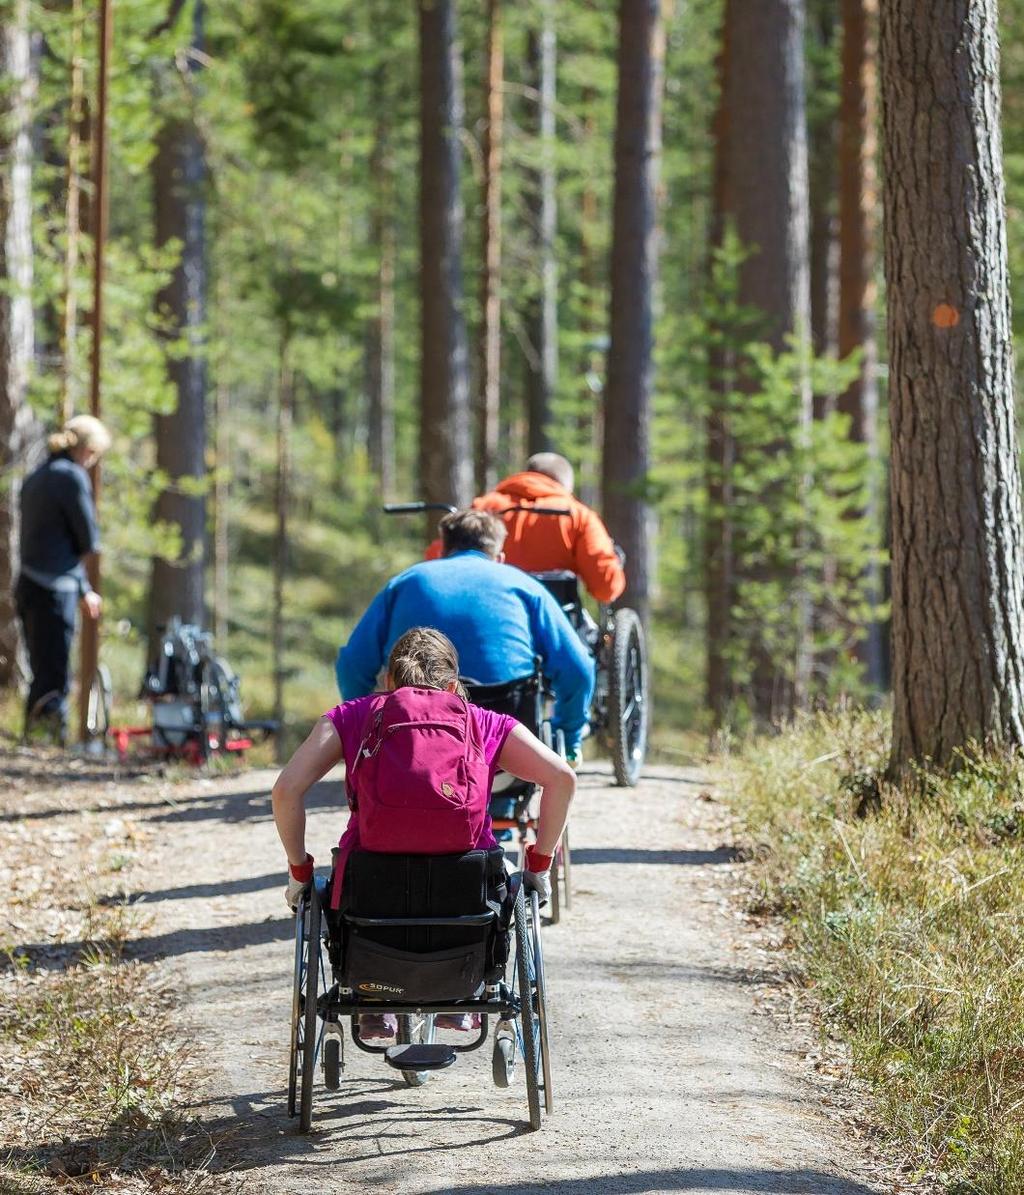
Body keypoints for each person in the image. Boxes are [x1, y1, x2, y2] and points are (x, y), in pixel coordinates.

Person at [273, 626, 575, 1039]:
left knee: (346, 877)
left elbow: (286, 789)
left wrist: (299, 870)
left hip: (369, 898)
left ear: (388, 684)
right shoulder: (484, 723)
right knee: (499, 876)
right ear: (454, 685)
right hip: (469, 900)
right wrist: (539, 865)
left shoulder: (355, 716)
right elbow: (562, 778)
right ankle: (459, 1001)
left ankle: (374, 1004)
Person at [337, 508, 595, 760]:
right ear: (499, 557)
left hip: (412, 739)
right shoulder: (525, 586)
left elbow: (352, 667)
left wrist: (365, 727)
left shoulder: (405, 583)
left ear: (442, 551)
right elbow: (578, 670)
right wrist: (569, 736)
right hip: (504, 744)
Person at [16, 414, 111, 743]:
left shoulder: (36, 476)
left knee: (40, 670)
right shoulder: (71, 478)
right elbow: (86, 539)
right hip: (55, 590)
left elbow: (52, 543)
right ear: (87, 449)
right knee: (56, 673)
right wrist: (84, 587)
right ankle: (53, 743)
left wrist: (83, 588)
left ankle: (32, 737)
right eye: (95, 455)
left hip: (27, 585)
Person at [425, 452, 625, 603]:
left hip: (488, 610)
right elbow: (605, 588)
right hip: (557, 626)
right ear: (565, 485)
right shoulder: (578, 515)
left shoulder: (483, 507)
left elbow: (438, 561)